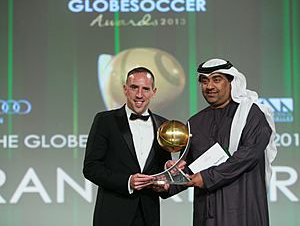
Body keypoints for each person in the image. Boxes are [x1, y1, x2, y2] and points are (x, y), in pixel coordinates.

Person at [168, 58, 277, 226]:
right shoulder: (195, 122)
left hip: (243, 210)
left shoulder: (252, 114)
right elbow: (190, 168)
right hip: (206, 214)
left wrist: (206, 178)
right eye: (204, 81)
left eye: (217, 80)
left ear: (231, 82)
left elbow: (247, 156)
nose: (209, 86)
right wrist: (169, 182)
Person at [83, 67, 171, 226]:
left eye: (145, 89)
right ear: (125, 89)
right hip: (112, 215)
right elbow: (91, 168)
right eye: (134, 87)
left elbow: (163, 171)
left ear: (154, 91)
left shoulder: (163, 125)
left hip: (148, 215)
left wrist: (165, 181)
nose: (139, 94)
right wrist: (127, 181)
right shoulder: (105, 121)